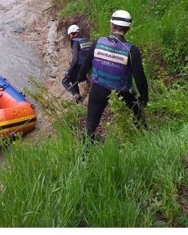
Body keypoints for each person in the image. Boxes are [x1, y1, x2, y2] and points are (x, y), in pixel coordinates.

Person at [76, 10, 149, 141]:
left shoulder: (98, 42)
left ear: (112, 26)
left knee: (91, 122)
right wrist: (144, 97)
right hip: (121, 91)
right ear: (128, 28)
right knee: (137, 110)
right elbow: (140, 78)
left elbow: (86, 63)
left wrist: (80, 77)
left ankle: (85, 152)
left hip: (98, 89)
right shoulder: (131, 50)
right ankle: (145, 136)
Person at [62, 24, 92, 103]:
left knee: (65, 81)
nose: (70, 37)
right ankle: (85, 82)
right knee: (74, 78)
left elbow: (75, 59)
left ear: (72, 34)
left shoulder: (76, 42)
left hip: (79, 68)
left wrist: (69, 70)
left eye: (70, 35)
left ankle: (76, 96)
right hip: (88, 68)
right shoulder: (87, 40)